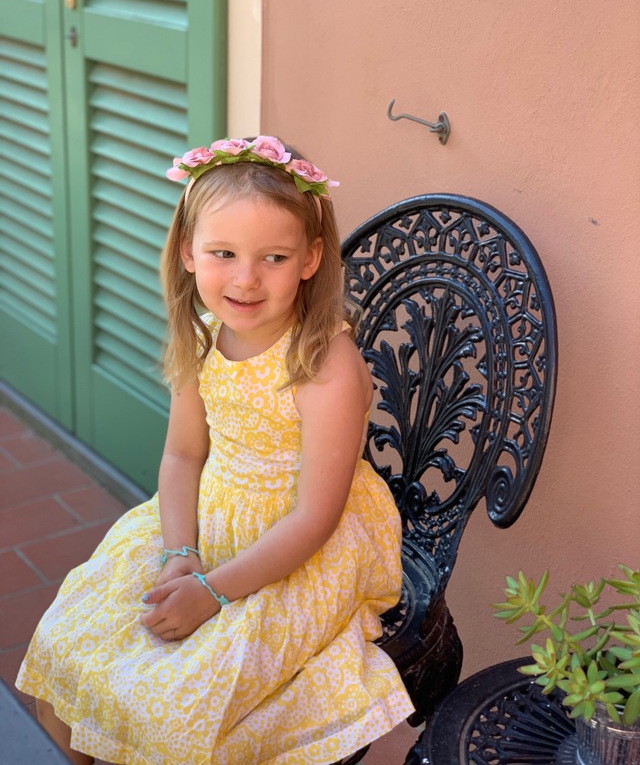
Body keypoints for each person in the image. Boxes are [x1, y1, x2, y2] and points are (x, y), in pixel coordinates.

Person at [16, 136, 413, 764]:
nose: (246, 279)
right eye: (223, 253)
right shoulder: (204, 337)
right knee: (72, 645)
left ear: (310, 258)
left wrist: (215, 590)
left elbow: (316, 517)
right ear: (188, 253)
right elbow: (181, 457)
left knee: (179, 707)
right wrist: (181, 553)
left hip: (302, 541)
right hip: (204, 515)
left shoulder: (324, 363)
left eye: (273, 257)